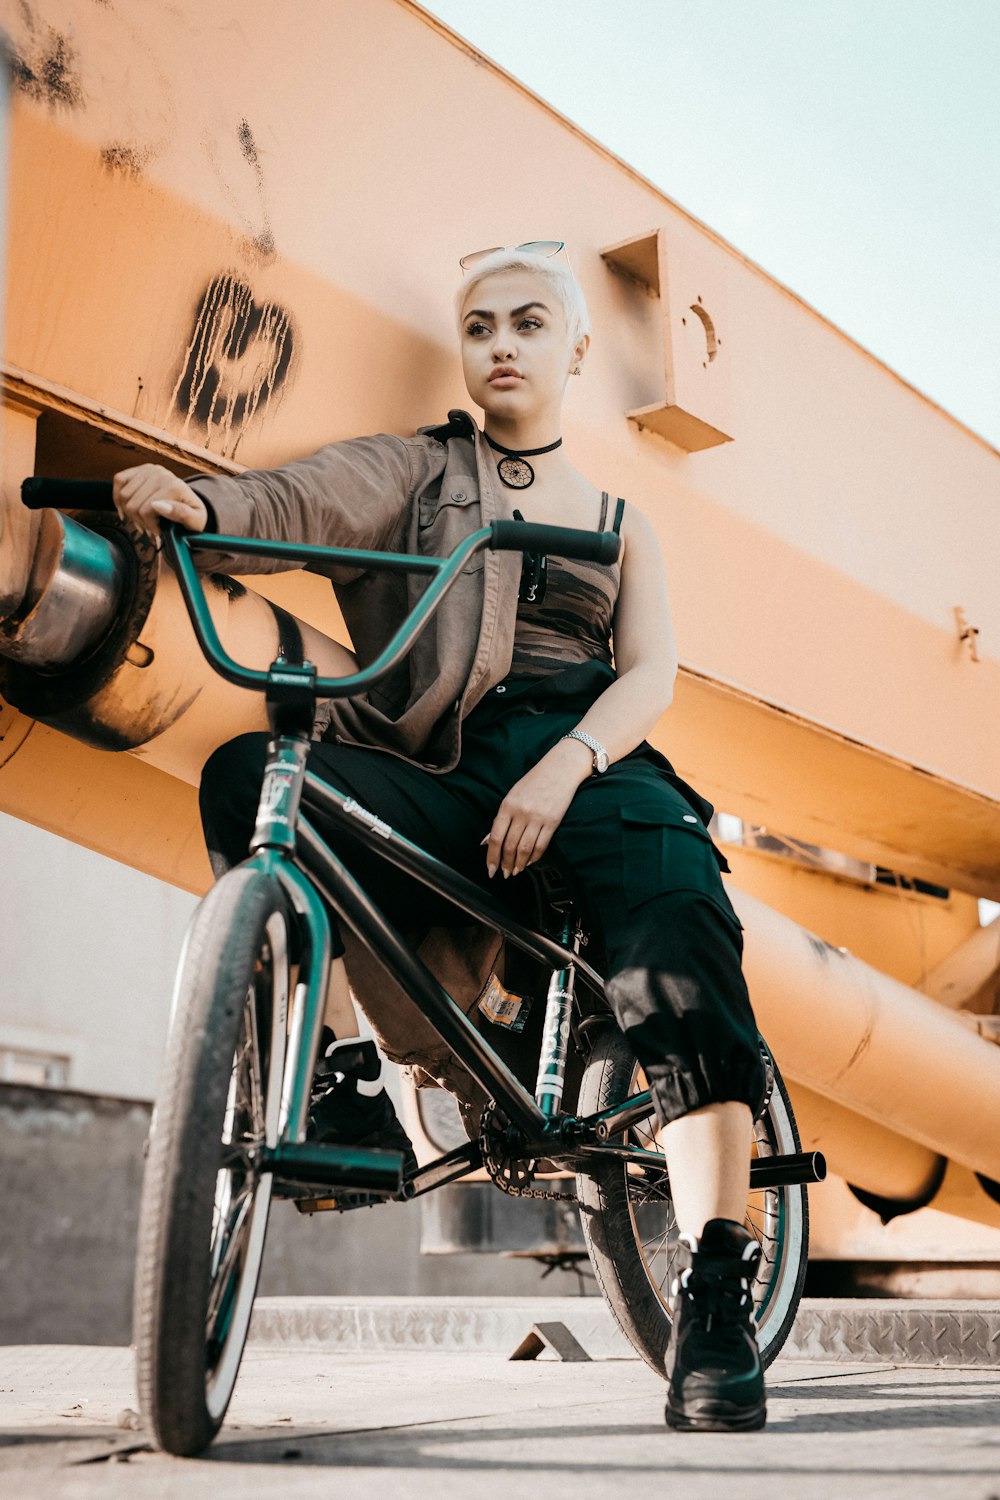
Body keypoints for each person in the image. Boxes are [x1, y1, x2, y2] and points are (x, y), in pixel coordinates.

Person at [112, 242, 768, 1433]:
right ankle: (344, 1073)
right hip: (444, 772)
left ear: (572, 350)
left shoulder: (619, 522)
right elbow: (293, 501)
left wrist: (566, 769)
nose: (501, 344)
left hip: (593, 765)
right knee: (254, 780)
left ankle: (717, 1287)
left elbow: (650, 676)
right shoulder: (418, 473)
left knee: (674, 935)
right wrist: (200, 505)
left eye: (528, 323)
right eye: (479, 326)